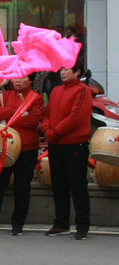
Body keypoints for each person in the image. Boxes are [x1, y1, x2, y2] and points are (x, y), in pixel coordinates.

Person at [0, 75, 45, 236]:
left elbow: (33, 121)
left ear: (31, 81)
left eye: (23, 78)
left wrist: (9, 116)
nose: (18, 81)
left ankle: (18, 224)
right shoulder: (3, 95)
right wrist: (20, 112)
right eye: (15, 78)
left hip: (27, 148)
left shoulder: (37, 98)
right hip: (4, 147)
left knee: (22, 188)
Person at [41, 59, 93, 239]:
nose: (63, 72)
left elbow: (76, 117)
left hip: (74, 145)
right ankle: (61, 223)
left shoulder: (83, 90)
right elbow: (47, 113)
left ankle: (82, 226)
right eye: (61, 69)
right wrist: (47, 129)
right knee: (59, 186)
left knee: (78, 186)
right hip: (55, 144)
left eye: (68, 69)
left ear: (78, 72)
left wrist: (54, 131)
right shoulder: (55, 91)